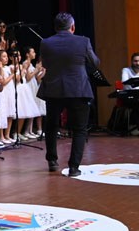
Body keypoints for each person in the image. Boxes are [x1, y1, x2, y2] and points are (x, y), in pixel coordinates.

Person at [37, 12, 99, 177]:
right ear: (72, 27)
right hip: (78, 89)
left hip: (53, 89)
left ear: (55, 27)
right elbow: (95, 63)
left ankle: (52, 161)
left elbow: (46, 63)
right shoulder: (83, 41)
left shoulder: (45, 43)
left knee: (51, 126)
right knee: (79, 129)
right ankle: (73, 168)